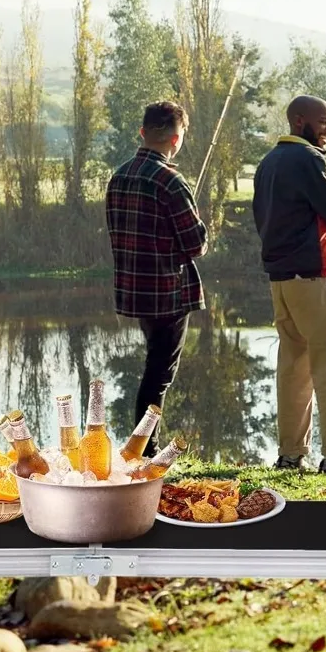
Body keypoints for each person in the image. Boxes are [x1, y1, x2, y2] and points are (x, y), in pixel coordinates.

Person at [253, 95, 326, 477]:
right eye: (323, 122)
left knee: (294, 371)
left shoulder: (268, 164)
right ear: (299, 120)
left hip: (282, 282)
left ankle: (291, 455)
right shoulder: (308, 159)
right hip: (319, 280)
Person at [105, 101, 208, 456]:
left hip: (136, 291)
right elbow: (196, 245)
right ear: (176, 139)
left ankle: (143, 448)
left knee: (154, 365)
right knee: (160, 374)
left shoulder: (119, 177)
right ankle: (145, 450)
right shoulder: (171, 181)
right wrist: (201, 224)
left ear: (143, 132)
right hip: (168, 292)